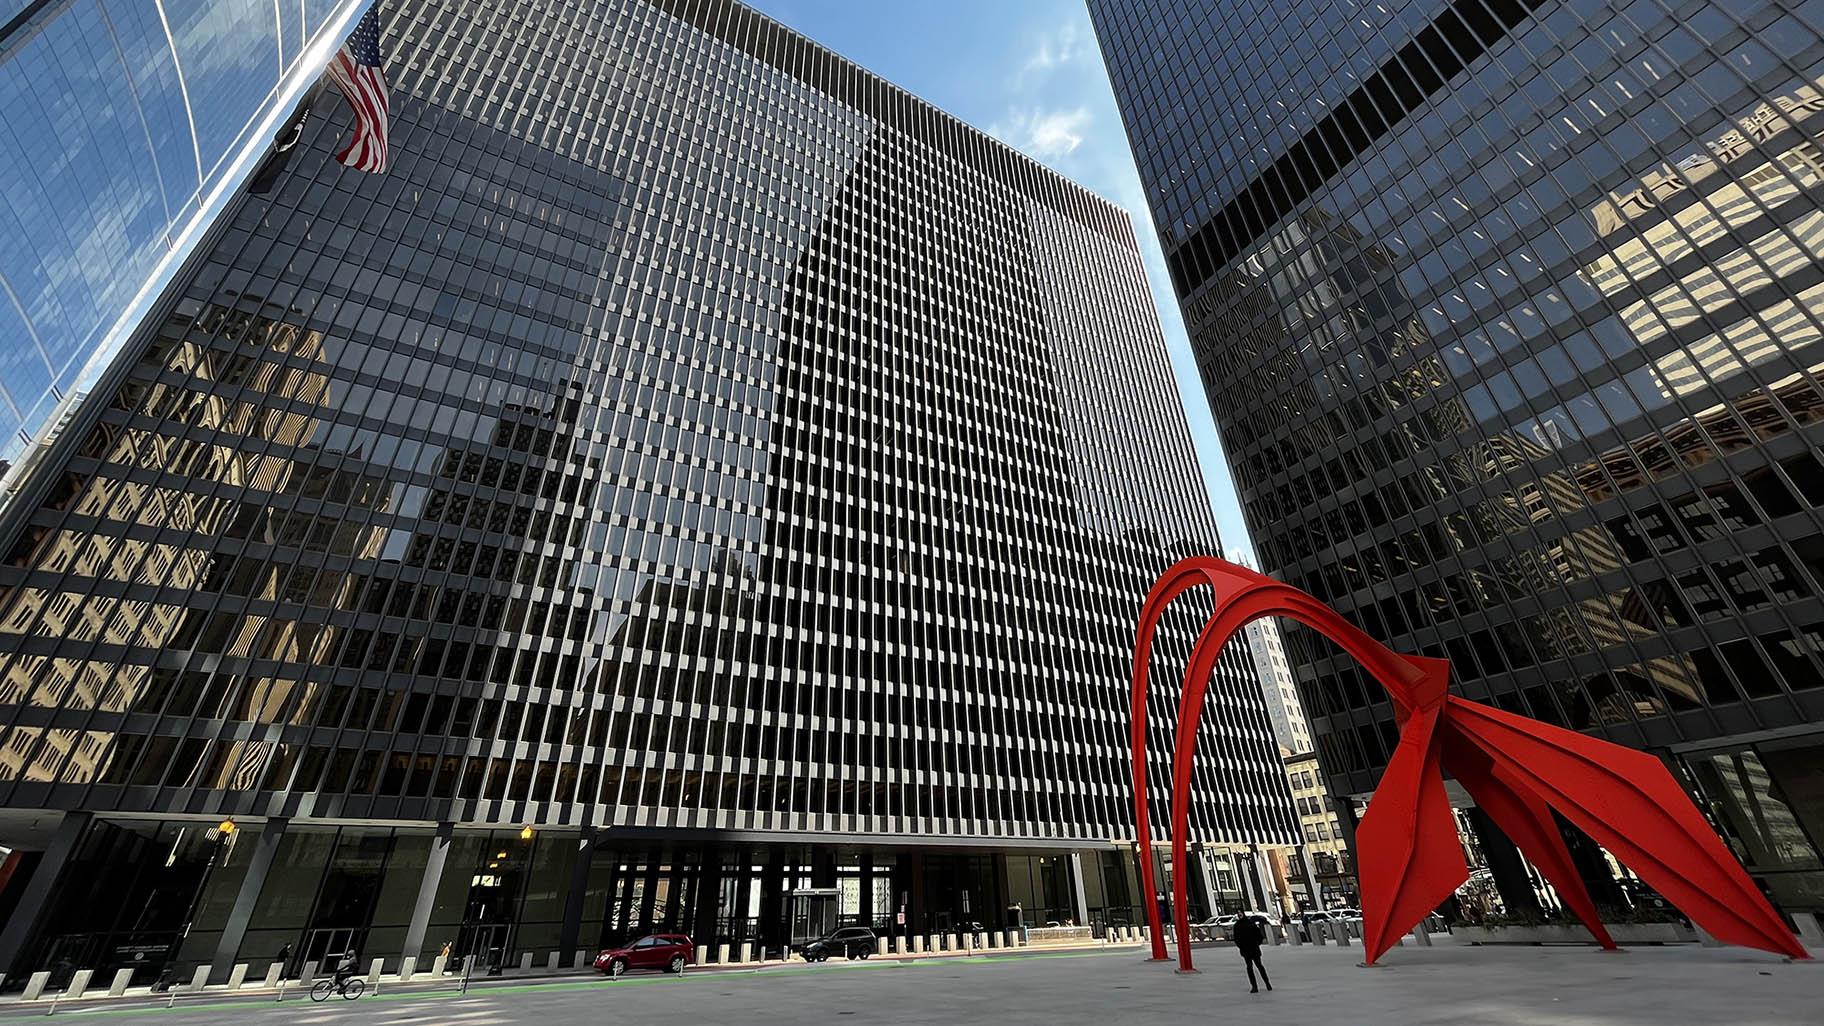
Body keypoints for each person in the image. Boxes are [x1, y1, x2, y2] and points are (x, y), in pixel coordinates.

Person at [1232, 915, 1271, 993]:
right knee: (1253, 966)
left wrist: (1256, 943)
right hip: (1249, 948)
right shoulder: (1240, 925)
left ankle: (1265, 983)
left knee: (1256, 966)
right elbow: (1236, 938)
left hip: (1250, 948)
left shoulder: (1246, 924)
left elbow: (1258, 935)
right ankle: (1257, 985)